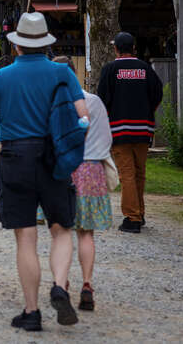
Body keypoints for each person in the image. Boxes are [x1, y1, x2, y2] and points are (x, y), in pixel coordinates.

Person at [0, 12, 89, 331]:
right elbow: (83, 118)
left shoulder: (2, 77)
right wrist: (73, 150)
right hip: (54, 158)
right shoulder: (63, 73)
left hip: (16, 157)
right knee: (61, 229)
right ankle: (60, 285)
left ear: (18, 46)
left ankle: (31, 312)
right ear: (46, 45)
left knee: (25, 237)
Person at [49, 56, 113, 312]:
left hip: (64, 168)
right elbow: (107, 138)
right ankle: (87, 284)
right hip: (92, 168)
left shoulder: (52, 101)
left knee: (59, 232)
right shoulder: (94, 101)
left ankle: (61, 283)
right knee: (86, 233)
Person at [97, 31, 163, 233]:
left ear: (116, 49)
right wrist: (147, 114)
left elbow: (103, 99)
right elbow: (157, 94)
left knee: (126, 174)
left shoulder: (110, 69)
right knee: (139, 173)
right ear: (133, 48)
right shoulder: (146, 69)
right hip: (143, 129)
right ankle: (139, 213)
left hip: (120, 129)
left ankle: (132, 218)